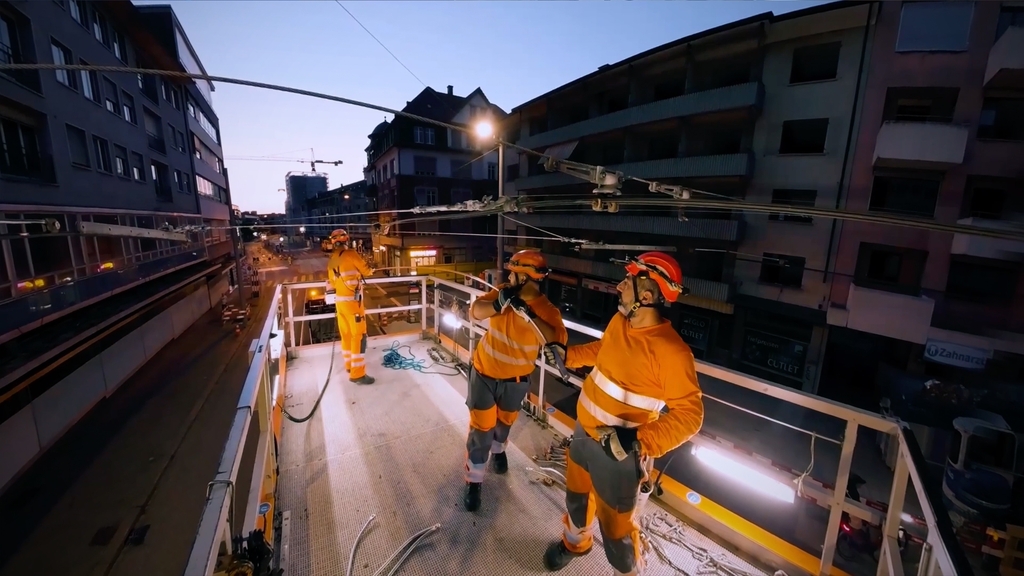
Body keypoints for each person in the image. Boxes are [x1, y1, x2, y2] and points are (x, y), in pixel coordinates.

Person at [541, 251, 704, 576]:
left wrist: (637, 440)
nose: (619, 287)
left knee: (618, 535)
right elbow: (604, 351)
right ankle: (575, 544)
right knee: (577, 500)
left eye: (627, 282)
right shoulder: (621, 322)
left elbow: (690, 415)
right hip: (584, 435)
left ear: (646, 297)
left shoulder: (672, 352)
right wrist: (568, 355)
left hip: (619, 455)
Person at [463, 249, 568, 511]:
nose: (508, 277)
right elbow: (474, 312)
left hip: (515, 381)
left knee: (504, 424)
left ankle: (499, 451)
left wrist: (529, 314)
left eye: (513, 273)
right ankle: (474, 480)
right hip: (484, 374)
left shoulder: (548, 311)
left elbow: (558, 340)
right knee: (481, 429)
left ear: (525, 277)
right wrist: (497, 304)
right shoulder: (502, 293)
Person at [326, 228, 376, 385]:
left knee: (346, 335)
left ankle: (349, 366)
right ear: (346, 240)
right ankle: (357, 374)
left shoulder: (333, 259)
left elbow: (333, 283)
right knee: (358, 336)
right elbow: (367, 271)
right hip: (353, 304)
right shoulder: (351, 254)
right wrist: (371, 269)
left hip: (340, 304)